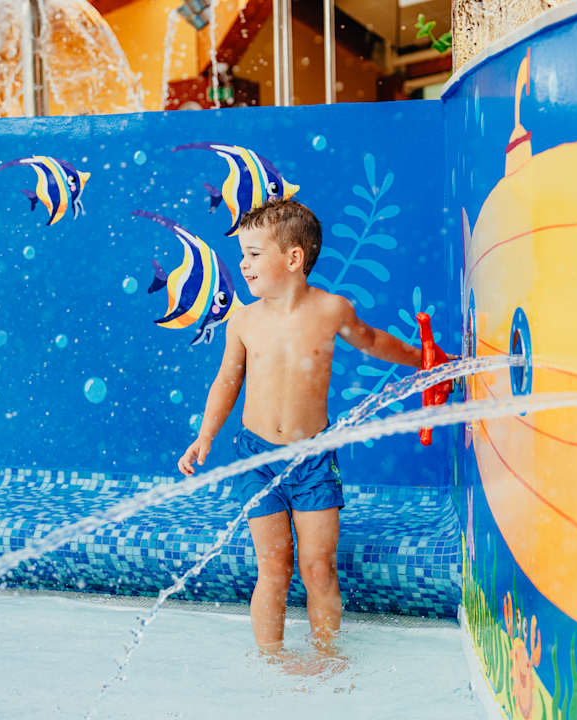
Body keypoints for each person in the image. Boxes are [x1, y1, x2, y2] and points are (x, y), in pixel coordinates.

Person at [178, 198, 422, 654]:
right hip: (258, 459)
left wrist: (422, 361)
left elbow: (372, 341)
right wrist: (205, 436)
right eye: (243, 254)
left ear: (293, 258)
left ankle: (327, 658)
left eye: (253, 253)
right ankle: (271, 661)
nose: (243, 263)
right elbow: (227, 382)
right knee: (273, 568)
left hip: (312, 461)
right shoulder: (245, 320)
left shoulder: (330, 310)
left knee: (317, 567)